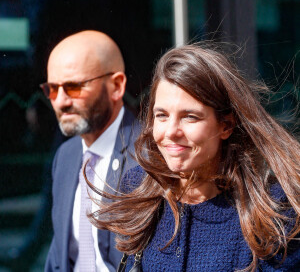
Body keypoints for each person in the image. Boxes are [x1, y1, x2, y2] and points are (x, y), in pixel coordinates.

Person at [89, 44, 300, 271]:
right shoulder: (138, 189)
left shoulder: (272, 211)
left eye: (190, 117)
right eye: (162, 116)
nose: (171, 132)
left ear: (226, 125)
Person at [42, 30, 139, 272]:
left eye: (73, 87)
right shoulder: (66, 156)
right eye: (52, 89)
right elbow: (59, 258)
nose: (61, 101)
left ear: (116, 86)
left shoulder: (151, 155)